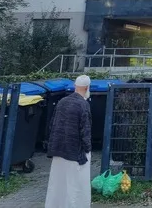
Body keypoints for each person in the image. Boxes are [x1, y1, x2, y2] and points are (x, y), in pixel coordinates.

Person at [45, 75, 93, 208]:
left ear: (75, 86)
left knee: (57, 184)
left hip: (58, 149)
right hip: (75, 152)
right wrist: (87, 149)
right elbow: (85, 130)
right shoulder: (84, 105)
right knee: (76, 186)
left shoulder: (62, 101)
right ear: (87, 88)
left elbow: (52, 124)